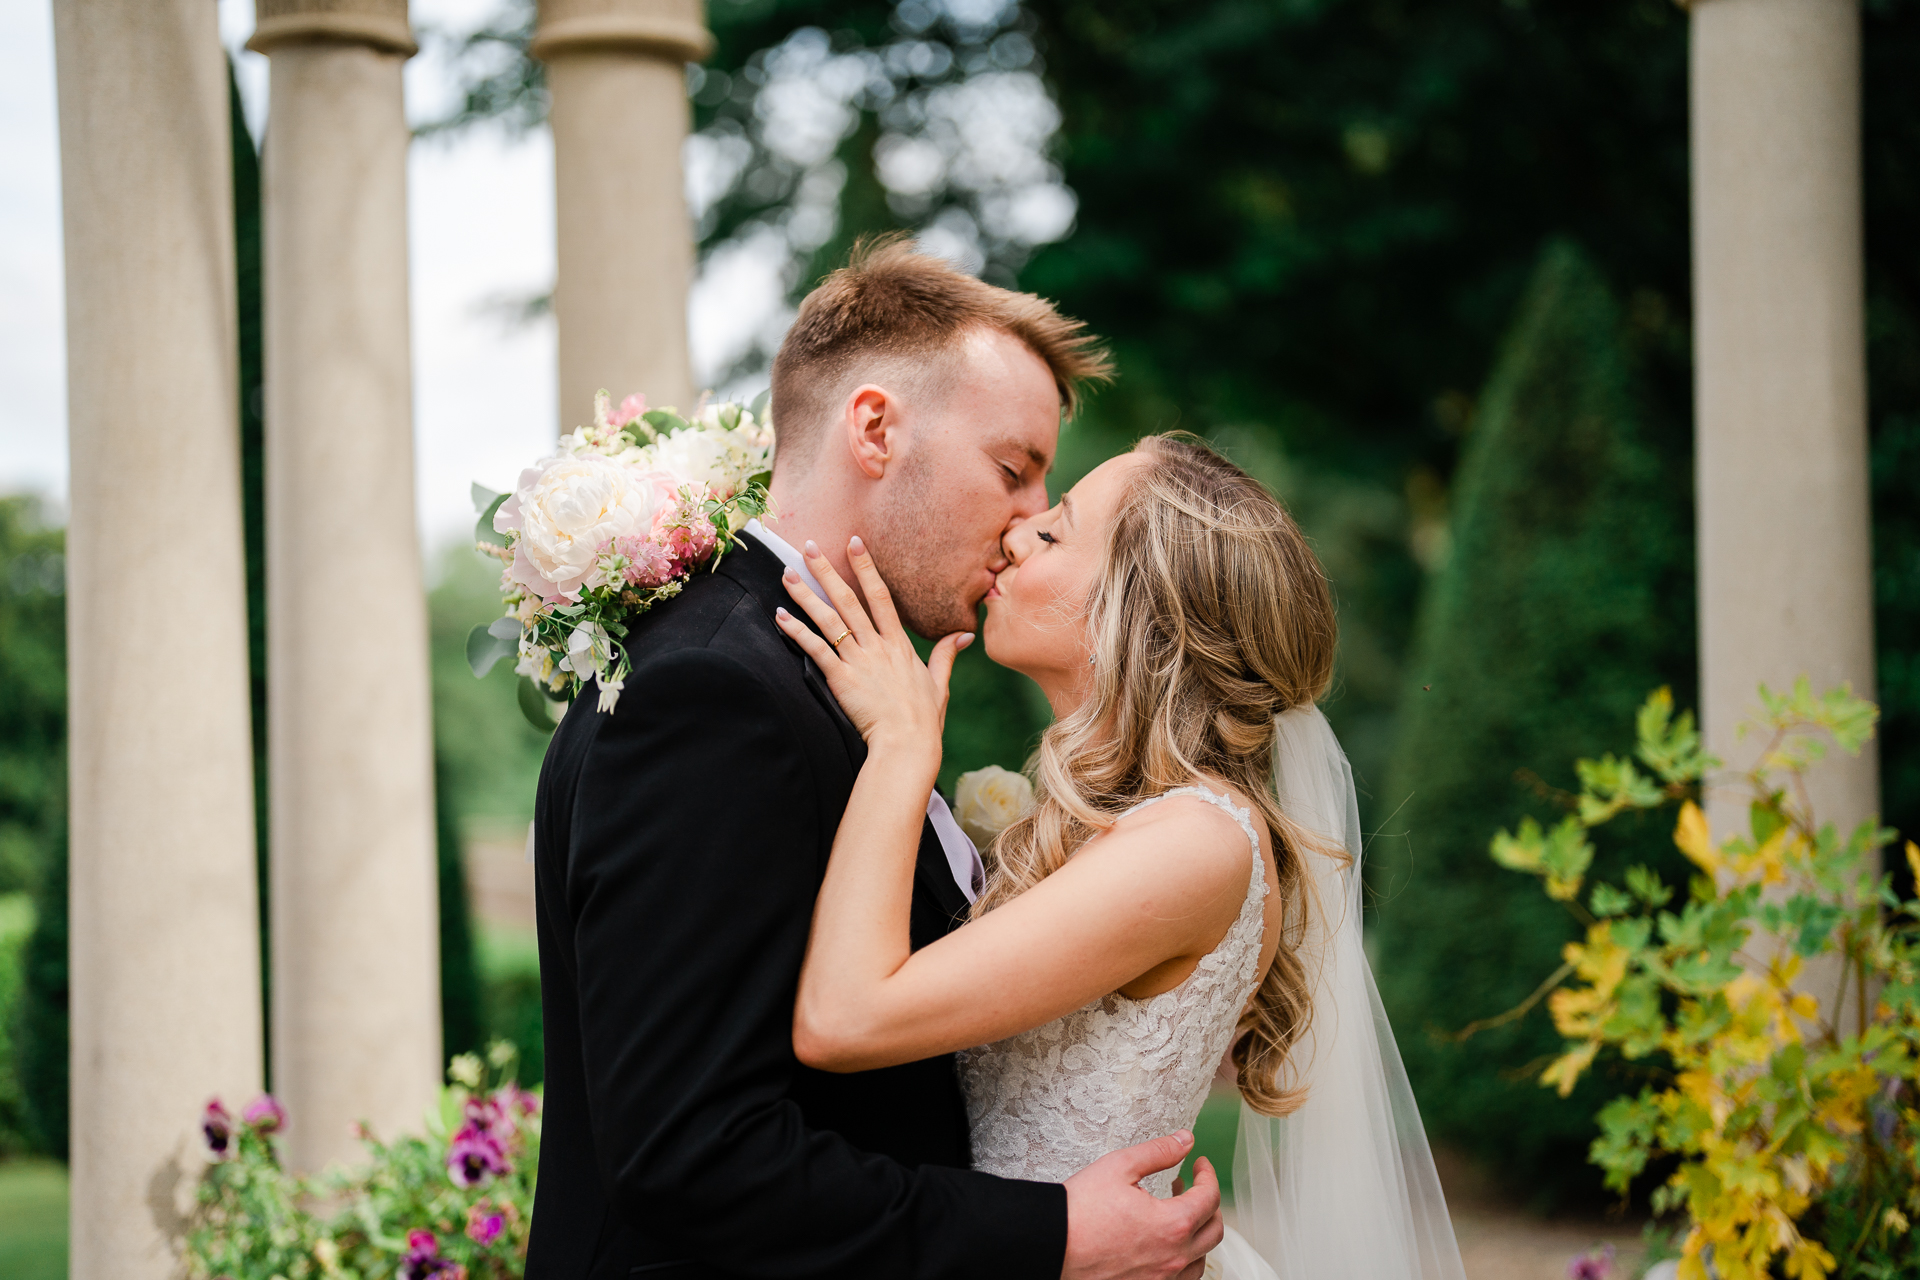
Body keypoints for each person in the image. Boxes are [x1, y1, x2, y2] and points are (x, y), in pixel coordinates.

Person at [525, 238, 1224, 1280]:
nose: (1031, 518)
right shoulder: (715, 694)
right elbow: (690, 1153)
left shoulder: (824, 673)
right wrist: (1051, 1234)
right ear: (875, 427)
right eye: (1012, 467)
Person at [774, 433, 1470, 1278]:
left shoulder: (1197, 843)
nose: (1017, 531)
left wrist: (899, 746)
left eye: (1057, 532)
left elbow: (844, 1018)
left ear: (1141, 613)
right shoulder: (1124, 828)